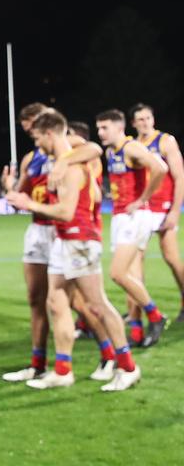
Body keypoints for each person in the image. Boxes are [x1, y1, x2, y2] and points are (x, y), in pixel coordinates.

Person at [5, 110, 141, 391]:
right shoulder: (62, 162)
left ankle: (128, 366)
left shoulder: (72, 166)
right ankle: (63, 370)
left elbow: (66, 212)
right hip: (63, 240)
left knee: (97, 305)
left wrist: (30, 205)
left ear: (50, 134)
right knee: (55, 302)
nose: (37, 143)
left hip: (79, 239)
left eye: (38, 137)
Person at [0, 104, 101, 380]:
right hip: (37, 230)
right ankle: (38, 364)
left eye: (32, 128)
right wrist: (10, 189)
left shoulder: (69, 146)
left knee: (77, 301)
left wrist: (65, 161)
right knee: (36, 299)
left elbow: (95, 149)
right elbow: (21, 199)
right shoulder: (31, 158)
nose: (30, 133)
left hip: (60, 228)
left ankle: (109, 354)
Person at [96, 109, 169, 347]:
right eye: (98, 128)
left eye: (105, 127)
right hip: (120, 216)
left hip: (135, 216)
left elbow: (160, 168)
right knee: (132, 276)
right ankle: (137, 330)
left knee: (118, 273)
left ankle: (155, 315)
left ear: (119, 128)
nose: (100, 132)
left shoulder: (131, 148)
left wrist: (142, 199)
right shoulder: (110, 151)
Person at [131, 103, 184, 320]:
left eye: (148, 118)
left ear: (153, 119)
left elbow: (179, 176)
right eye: (140, 119)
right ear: (133, 123)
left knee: (171, 257)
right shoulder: (132, 145)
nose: (145, 122)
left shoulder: (165, 141)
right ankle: (137, 309)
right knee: (134, 261)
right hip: (142, 209)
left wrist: (175, 211)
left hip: (162, 208)